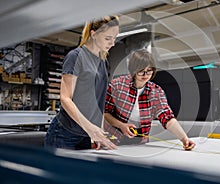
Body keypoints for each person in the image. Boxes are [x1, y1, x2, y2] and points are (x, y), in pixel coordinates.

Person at [45, 16, 119, 150]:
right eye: (108, 38)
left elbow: (99, 102)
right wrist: (90, 128)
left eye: (115, 38)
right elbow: (65, 98)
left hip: (85, 133)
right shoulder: (75, 56)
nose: (112, 43)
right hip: (64, 133)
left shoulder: (103, 62)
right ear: (94, 34)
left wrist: (99, 132)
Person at [104, 49, 196, 150]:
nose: (145, 75)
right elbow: (105, 113)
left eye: (149, 71)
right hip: (113, 141)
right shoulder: (117, 85)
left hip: (139, 143)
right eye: (141, 71)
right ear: (133, 69)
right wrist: (121, 125)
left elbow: (167, 118)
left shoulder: (155, 92)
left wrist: (184, 139)